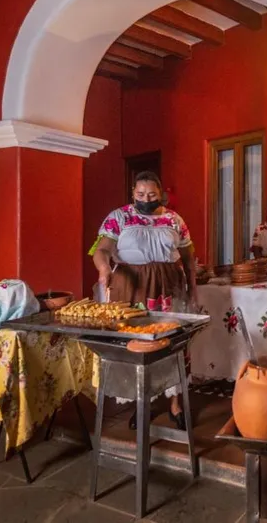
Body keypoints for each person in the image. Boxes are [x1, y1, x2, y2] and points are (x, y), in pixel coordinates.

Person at [93, 171, 196, 430]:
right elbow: (101, 250)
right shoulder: (119, 217)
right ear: (133, 193)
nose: (146, 199)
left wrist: (193, 289)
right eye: (140, 194)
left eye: (151, 195)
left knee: (172, 341)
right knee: (137, 344)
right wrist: (104, 269)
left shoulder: (174, 219)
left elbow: (188, 258)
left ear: (161, 194)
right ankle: (142, 404)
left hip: (168, 285)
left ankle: (175, 403)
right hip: (131, 286)